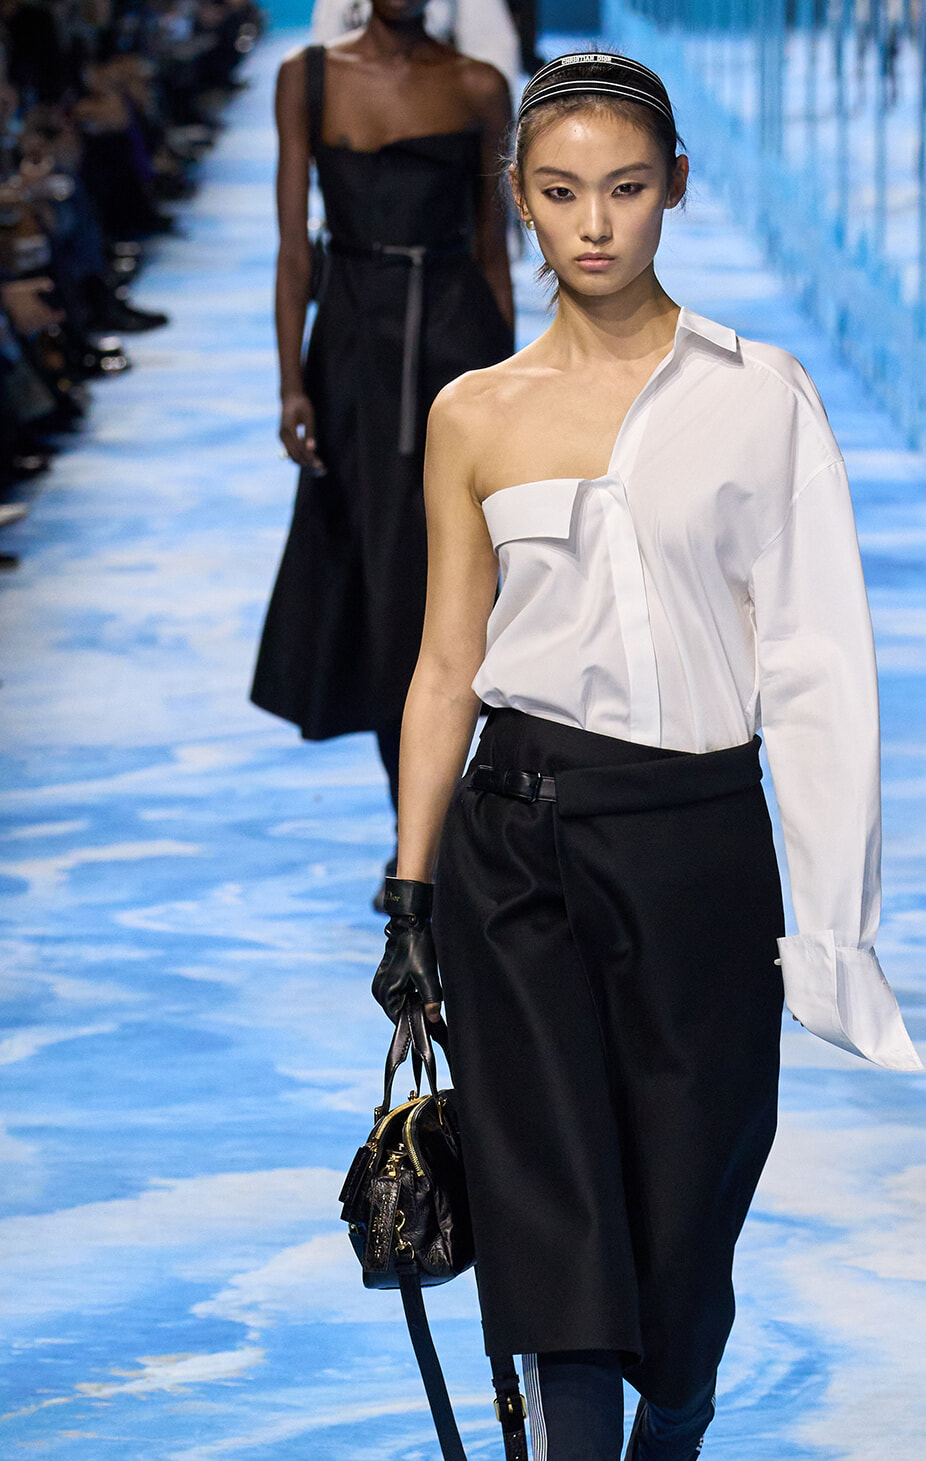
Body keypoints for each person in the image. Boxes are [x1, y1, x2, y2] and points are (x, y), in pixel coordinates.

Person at [371, 50, 922, 1461]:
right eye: (559, 191)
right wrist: (407, 884)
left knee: (687, 1244)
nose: (592, 223)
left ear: (675, 183)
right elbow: (449, 658)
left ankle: (661, 1442)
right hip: (515, 849)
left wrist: (831, 930)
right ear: (520, 205)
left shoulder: (762, 398)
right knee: (561, 1226)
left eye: (622, 187)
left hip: (694, 845)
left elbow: (823, 668)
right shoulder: (474, 412)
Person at [251, 0, 514, 892]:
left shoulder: (479, 86)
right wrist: (292, 380)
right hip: (355, 353)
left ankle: (454, 820)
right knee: (382, 590)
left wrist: (518, 391)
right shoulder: (308, 78)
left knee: (467, 582)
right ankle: (418, 827)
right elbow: (295, 252)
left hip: (454, 339)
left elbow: (494, 251)